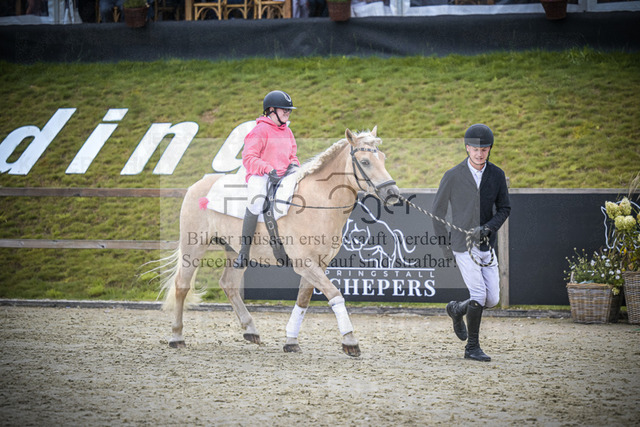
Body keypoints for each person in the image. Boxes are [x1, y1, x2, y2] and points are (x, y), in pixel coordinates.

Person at [432, 124, 511, 362]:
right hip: (461, 244)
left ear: (489, 149)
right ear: (467, 148)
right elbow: (437, 212)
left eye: (484, 149)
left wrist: (488, 228)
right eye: (475, 149)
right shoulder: (452, 175)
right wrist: (445, 245)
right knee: (478, 294)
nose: (479, 154)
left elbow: (505, 208)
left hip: (486, 244)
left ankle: (456, 309)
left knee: (492, 299)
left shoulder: (496, 175)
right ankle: (472, 348)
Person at [233, 90, 300, 269]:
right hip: (261, 175)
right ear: (271, 110)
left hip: (284, 174)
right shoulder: (259, 131)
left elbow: (292, 155)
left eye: (289, 110)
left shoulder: (288, 131)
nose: (287, 112)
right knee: (256, 202)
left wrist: (294, 165)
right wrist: (268, 169)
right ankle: (244, 252)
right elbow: (249, 158)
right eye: (284, 109)